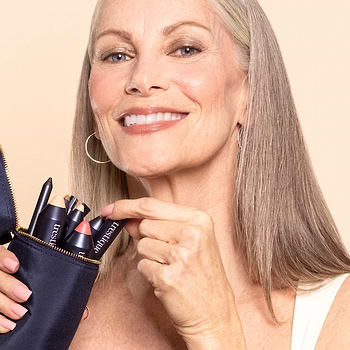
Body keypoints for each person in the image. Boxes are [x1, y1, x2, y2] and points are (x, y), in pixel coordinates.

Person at [0, 0, 350, 348]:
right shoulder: (52, 307)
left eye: (185, 48)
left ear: (250, 91)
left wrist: (214, 332)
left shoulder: (338, 314)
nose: (142, 79)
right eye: (117, 55)